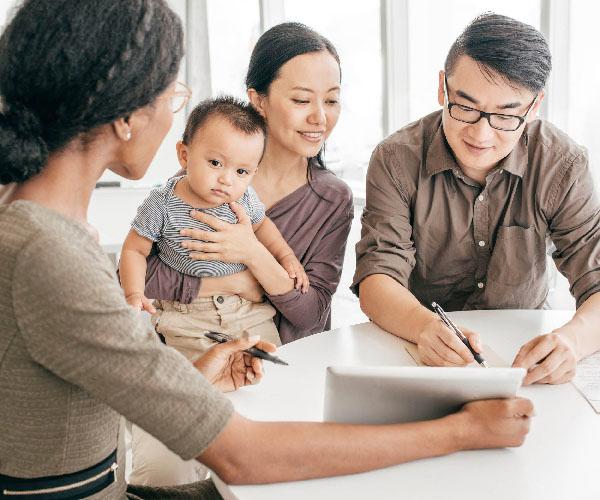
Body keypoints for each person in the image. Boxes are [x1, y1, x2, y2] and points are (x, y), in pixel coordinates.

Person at [0, 2, 533, 498]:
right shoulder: (52, 255)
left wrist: (198, 373)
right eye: (172, 95)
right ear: (126, 117)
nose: (173, 114)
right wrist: (458, 431)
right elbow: (244, 455)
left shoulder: (34, 225)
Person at [353, 13, 600, 386]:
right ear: (443, 88)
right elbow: (378, 276)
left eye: (505, 115)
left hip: (522, 352)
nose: (481, 135)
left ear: (534, 107)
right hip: (418, 345)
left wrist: (572, 342)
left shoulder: (561, 164)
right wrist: (424, 327)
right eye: (465, 108)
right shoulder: (396, 158)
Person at [143, 22, 353, 346]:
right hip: (192, 366)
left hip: (282, 372)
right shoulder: (198, 181)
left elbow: (312, 313)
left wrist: (254, 253)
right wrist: (240, 284)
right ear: (258, 101)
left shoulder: (331, 198)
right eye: (301, 100)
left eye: (331, 101)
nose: (320, 118)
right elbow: (139, 277)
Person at [120, 96, 309, 359]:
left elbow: (263, 226)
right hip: (188, 315)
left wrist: (286, 256)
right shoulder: (161, 202)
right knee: (203, 383)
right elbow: (134, 251)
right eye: (216, 163)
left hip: (248, 310)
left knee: (266, 372)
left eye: (241, 172)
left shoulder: (243, 198)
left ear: (254, 172)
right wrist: (134, 292)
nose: (226, 179)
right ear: (184, 155)